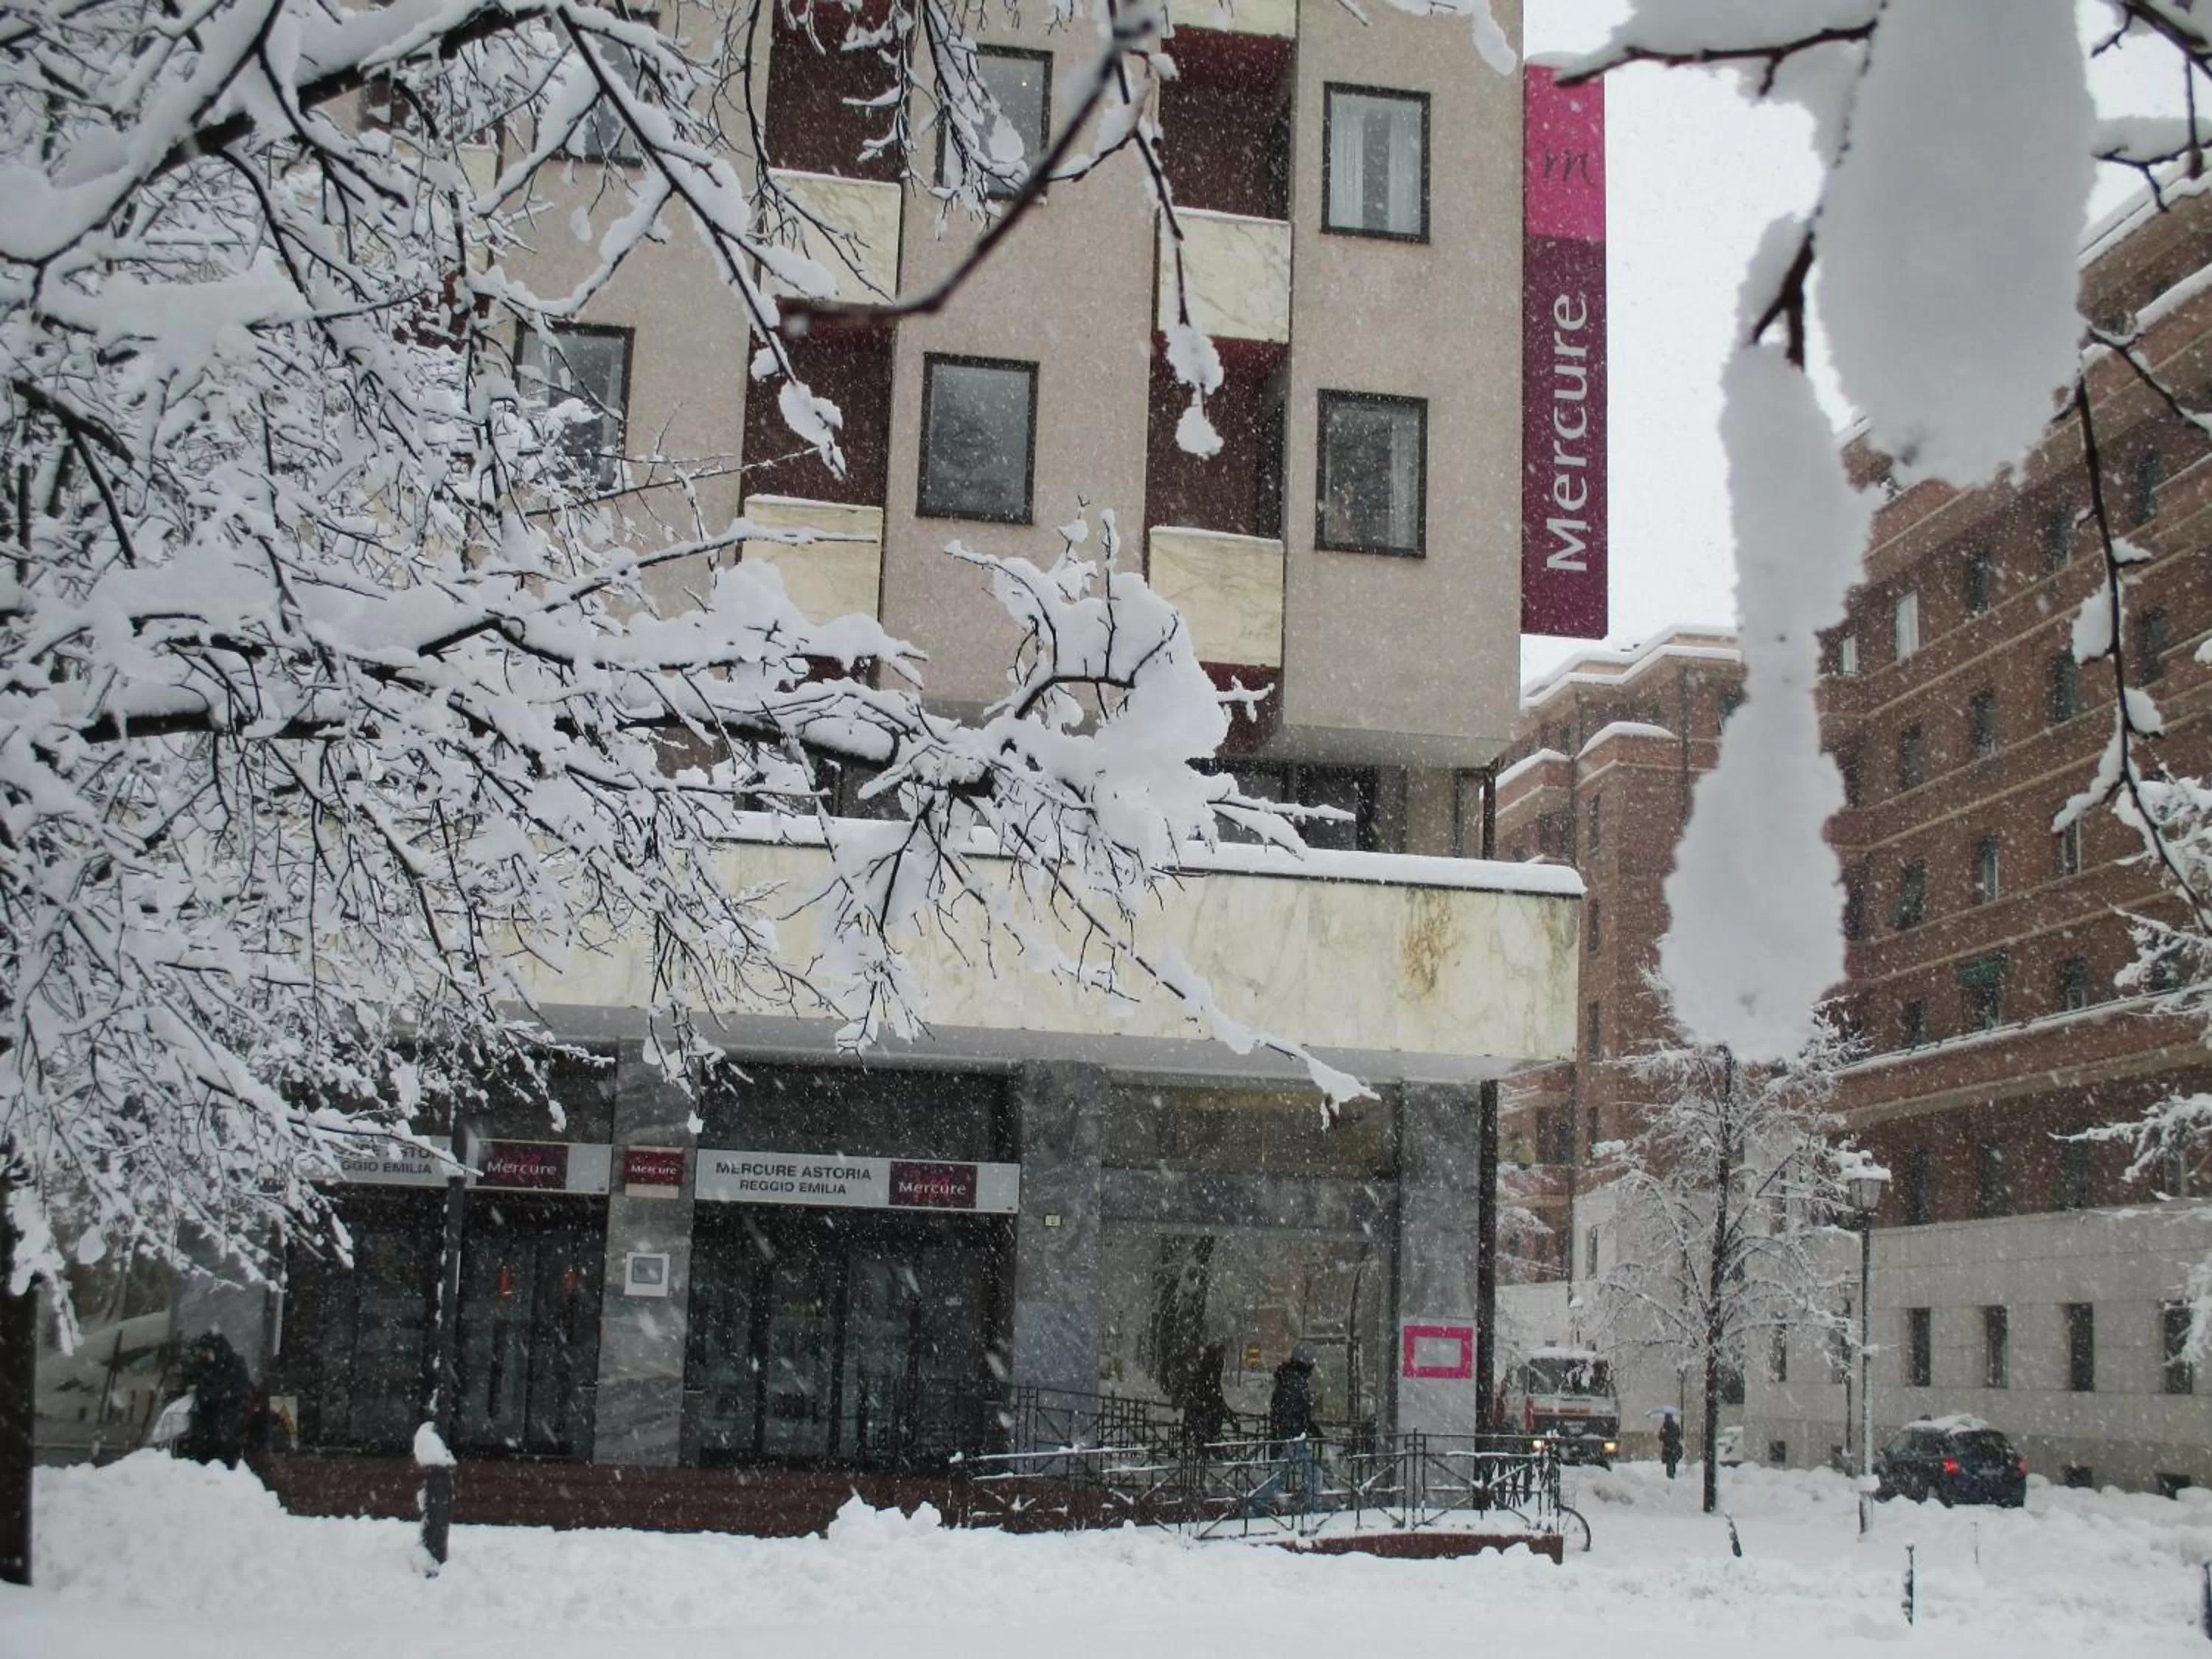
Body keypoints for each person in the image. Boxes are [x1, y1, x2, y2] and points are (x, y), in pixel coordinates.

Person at [1239, 1344, 1321, 1516]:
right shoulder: (1295, 1382)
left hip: (1289, 1435)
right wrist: (1307, 1428)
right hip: (1293, 1436)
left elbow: (1287, 1410)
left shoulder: (1290, 1379)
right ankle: (1314, 1508)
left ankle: (1255, 1505)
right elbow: (1296, 1411)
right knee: (1313, 1473)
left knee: (1281, 1476)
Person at [173, 1330, 251, 1469]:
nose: (203, 1355)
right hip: (203, 1431)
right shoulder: (205, 1367)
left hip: (224, 1430)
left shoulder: (233, 1368)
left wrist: (201, 1391)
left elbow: (222, 1394)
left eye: (205, 1352)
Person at [1180, 1341, 1231, 1451]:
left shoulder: (1203, 1375)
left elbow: (1216, 1400)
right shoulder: (1207, 1377)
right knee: (1205, 1452)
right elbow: (1216, 1401)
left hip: (1201, 1426)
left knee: (1204, 1451)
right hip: (1203, 1427)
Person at [1659, 1408, 1683, 1481]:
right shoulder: (1675, 1426)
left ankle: (1670, 1477)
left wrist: (1663, 1433)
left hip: (1668, 1447)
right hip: (1674, 1447)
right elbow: (1678, 1436)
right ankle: (1672, 1475)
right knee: (1672, 1461)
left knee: (1669, 1462)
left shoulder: (1664, 1427)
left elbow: (1660, 1438)